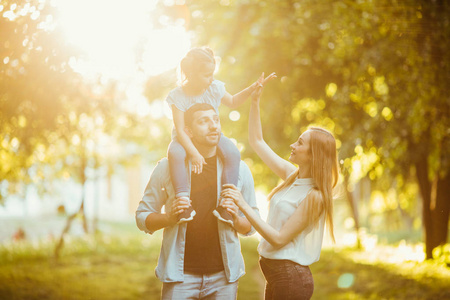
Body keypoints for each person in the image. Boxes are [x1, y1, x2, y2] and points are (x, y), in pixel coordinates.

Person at [221, 73, 339, 300]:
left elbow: (278, 239)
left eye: (300, 143)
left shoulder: (315, 196)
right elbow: (256, 141)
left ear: (313, 155)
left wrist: (242, 203)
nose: (293, 145)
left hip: (291, 279)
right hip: (278, 277)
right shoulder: (291, 175)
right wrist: (255, 102)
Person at [136, 103, 260, 299]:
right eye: (203, 121)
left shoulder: (240, 170)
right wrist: (169, 218)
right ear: (188, 131)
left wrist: (235, 219)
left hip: (224, 279)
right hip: (179, 278)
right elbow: (142, 217)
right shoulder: (167, 168)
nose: (213, 126)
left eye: (216, 120)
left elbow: (252, 225)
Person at [166, 46, 263, 225]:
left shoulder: (215, 88)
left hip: (211, 137)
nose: (211, 79)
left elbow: (233, 102)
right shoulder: (177, 96)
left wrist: (251, 89)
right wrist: (194, 153)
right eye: (206, 75)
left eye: (212, 74)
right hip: (185, 139)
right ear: (192, 74)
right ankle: (183, 203)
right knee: (175, 154)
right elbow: (180, 129)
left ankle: (226, 204)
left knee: (233, 152)